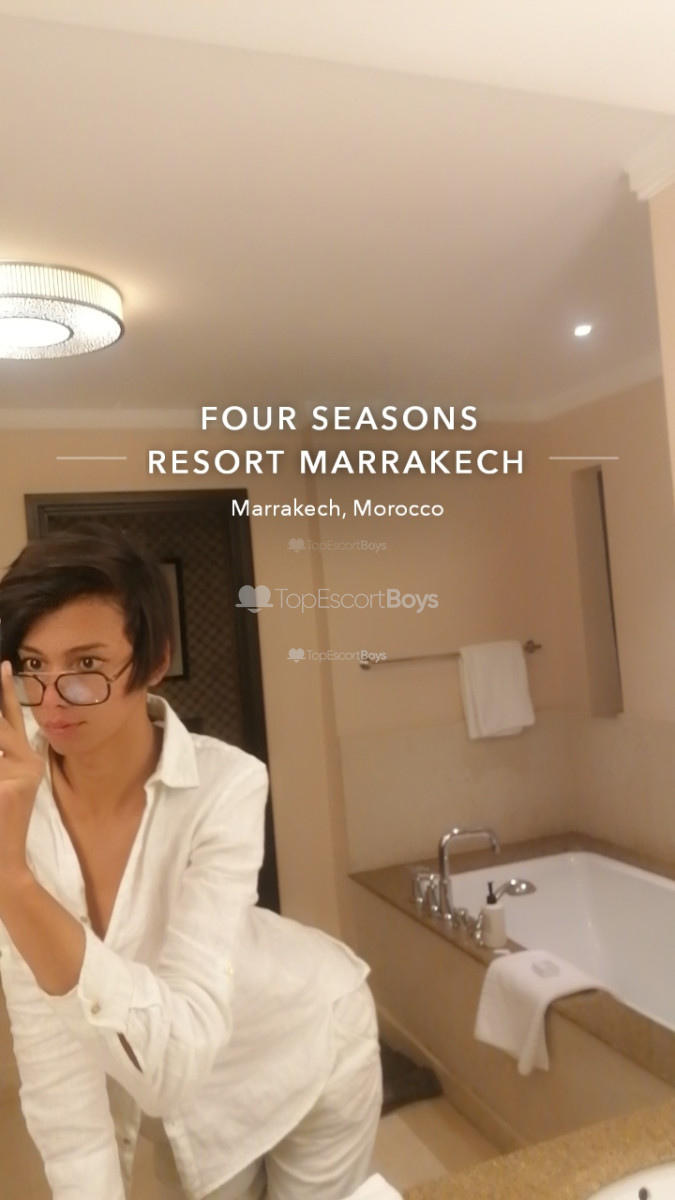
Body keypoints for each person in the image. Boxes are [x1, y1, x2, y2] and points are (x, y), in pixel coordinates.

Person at [0, 524, 382, 1200]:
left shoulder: (227, 785)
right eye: (32, 665)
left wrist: (12, 884)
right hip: (183, 1087)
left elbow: (173, 1068)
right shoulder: (15, 801)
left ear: (154, 662)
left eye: (86, 665)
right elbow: (54, 1062)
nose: (52, 698)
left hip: (305, 1035)